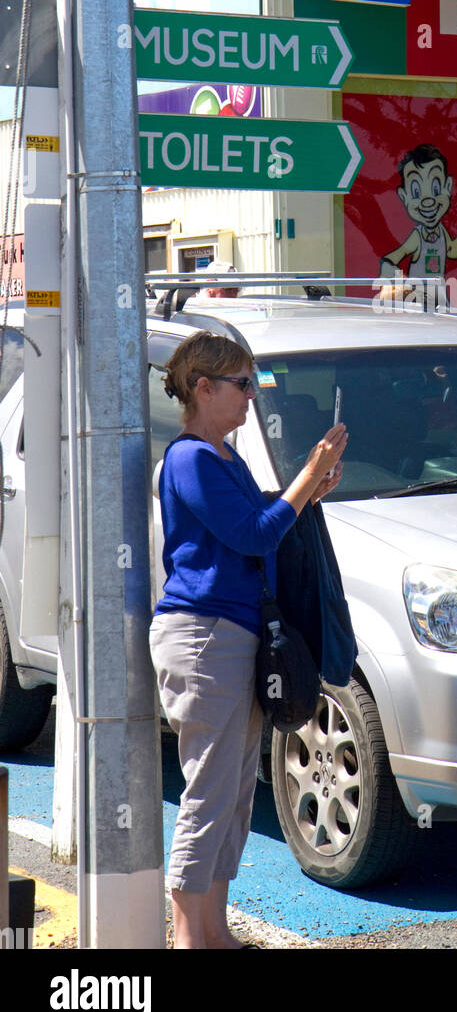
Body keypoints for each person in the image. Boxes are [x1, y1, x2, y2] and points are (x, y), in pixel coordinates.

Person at [148, 330, 347, 949]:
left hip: (232, 634)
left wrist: (308, 489)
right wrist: (305, 477)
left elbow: (262, 524)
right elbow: (254, 535)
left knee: (234, 792)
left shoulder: (225, 459)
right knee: (210, 790)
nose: (251, 396)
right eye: (242, 384)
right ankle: (190, 936)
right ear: (204, 388)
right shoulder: (191, 458)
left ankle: (214, 929)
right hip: (204, 635)